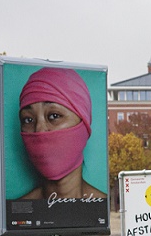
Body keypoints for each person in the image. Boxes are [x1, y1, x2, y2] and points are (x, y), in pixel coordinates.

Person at [18, 67, 105, 200]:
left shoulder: (107, 209)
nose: (39, 130)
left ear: (84, 124)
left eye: (54, 116)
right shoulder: (16, 213)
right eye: (28, 119)